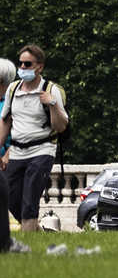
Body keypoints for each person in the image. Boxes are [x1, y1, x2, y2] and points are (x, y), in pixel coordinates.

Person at [1, 45, 68, 235]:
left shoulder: (50, 90)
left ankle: (27, 245)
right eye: (20, 63)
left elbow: (60, 126)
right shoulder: (13, 89)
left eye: (27, 64)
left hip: (42, 151)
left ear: (39, 67)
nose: (22, 67)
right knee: (11, 198)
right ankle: (37, 231)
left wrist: (52, 104)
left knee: (30, 199)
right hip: (17, 151)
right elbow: (5, 122)